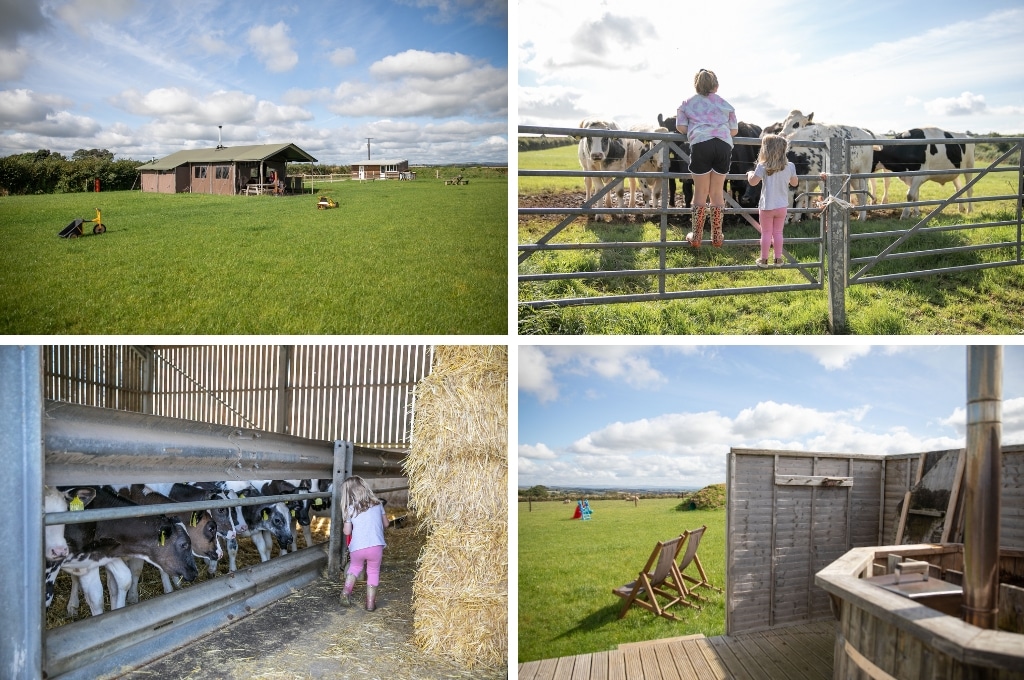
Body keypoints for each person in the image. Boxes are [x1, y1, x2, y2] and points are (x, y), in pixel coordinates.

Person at [675, 69, 739, 248]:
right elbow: (734, 131)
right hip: (723, 145)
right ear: (716, 86)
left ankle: (696, 236)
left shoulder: (687, 103)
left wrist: (697, 128)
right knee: (717, 193)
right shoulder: (726, 104)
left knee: (700, 192)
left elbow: (680, 127)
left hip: (701, 144)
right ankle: (717, 236)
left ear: (696, 86)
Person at [745, 134, 799, 267]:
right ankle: (778, 259)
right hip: (782, 206)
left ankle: (763, 260)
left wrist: (750, 174)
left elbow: (753, 182)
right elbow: (794, 183)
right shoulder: (790, 166)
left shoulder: (762, 166)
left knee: (766, 233)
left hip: (767, 206)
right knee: (778, 232)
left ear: (765, 149)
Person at [339, 475, 388, 611]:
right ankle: (370, 603)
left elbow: (347, 532)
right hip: (376, 546)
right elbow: (386, 524)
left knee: (354, 567)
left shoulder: (350, 509)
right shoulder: (378, 504)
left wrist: (346, 523)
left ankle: (345, 593)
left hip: (357, 547)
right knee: (373, 571)